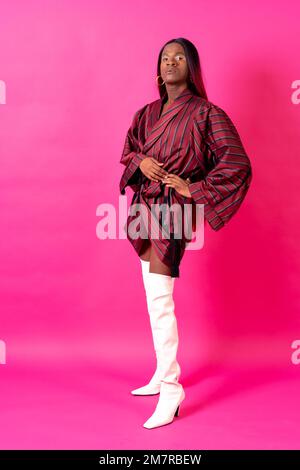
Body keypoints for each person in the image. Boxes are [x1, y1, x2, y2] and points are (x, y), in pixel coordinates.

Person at [119, 38, 252, 429]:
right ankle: (162, 373)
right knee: (151, 291)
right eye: (165, 58)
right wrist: (141, 161)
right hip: (144, 204)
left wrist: (191, 188)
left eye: (179, 57)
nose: (171, 63)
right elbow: (128, 151)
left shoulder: (207, 113)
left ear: (190, 66)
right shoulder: (145, 114)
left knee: (161, 297)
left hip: (173, 210)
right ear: (158, 68)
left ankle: (172, 387)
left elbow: (236, 162)